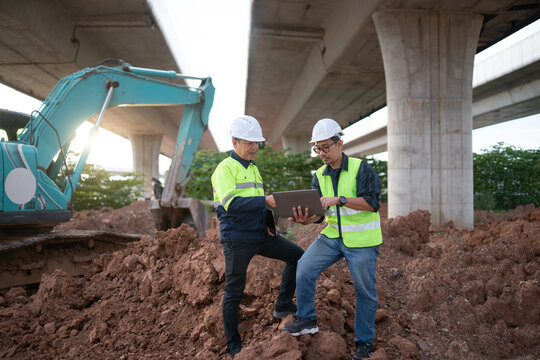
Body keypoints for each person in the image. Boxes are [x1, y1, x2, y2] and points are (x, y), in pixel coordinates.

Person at [282, 118, 382, 360]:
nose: (322, 153)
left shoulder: (361, 169)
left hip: (362, 241)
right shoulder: (319, 175)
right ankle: (307, 319)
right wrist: (306, 219)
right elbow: (321, 214)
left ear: (340, 143)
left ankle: (364, 344)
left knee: (364, 291)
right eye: (318, 148)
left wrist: (341, 199)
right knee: (304, 267)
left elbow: (372, 204)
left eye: (326, 147)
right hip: (332, 236)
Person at [211, 115, 304, 358]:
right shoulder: (224, 169)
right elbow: (231, 204)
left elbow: (257, 206)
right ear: (234, 142)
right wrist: (265, 200)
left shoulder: (253, 169)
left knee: (297, 256)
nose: (254, 147)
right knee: (234, 291)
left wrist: (267, 223)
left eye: (256, 143)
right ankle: (234, 347)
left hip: (259, 234)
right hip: (236, 239)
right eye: (249, 142)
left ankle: (283, 304)